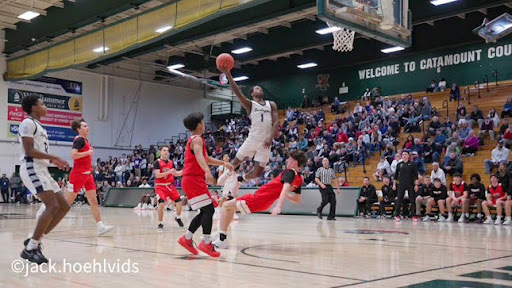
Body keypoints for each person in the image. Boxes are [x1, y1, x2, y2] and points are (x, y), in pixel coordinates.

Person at [213, 151, 307, 249]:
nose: (288, 160)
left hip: (258, 199)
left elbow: (286, 187)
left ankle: (222, 239)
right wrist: (285, 195)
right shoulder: (299, 178)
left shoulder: (290, 171)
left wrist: (279, 205)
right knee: (229, 207)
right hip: (263, 201)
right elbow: (297, 199)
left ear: (295, 162)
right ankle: (220, 233)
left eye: (290, 159)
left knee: (225, 206)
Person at [18, 94, 70, 264]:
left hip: (43, 169)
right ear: (34, 107)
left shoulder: (39, 125)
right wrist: (54, 157)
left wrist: (52, 161)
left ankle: (35, 241)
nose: (45, 106)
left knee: (63, 206)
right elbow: (29, 151)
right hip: (32, 167)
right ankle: (31, 247)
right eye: (42, 103)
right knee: (52, 205)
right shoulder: (28, 123)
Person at [177, 112, 233, 257]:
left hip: (192, 179)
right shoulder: (197, 140)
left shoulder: (194, 139)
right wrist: (207, 171)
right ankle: (206, 243)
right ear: (199, 125)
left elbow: (205, 158)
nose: (203, 124)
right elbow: (199, 155)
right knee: (209, 210)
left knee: (205, 211)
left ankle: (187, 239)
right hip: (192, 179)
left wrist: (224, 163)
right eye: (202, 122)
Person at [219, 68, 279, 192]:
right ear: (251, 94)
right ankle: (227, 174)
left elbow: (276, 122)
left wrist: (270, 138)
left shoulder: (271, 104)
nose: (259, 89)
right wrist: (229, 75)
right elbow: (237, 92)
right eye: (256, 88)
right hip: (253, 138)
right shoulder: (250, 104)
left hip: (266, 142)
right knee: (236, 161)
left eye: (260, 88)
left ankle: (243, 178)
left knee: (257, 173)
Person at [154, 145, 184, 231]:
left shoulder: (171, 162)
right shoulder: (157, 162)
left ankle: (178, 217)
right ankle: (160, 223)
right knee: (161, 204)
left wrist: (183, 171)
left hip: (170, 186)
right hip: (160, 186)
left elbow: (175, 173)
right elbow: (157, 175)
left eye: (167, 150)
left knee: (179, 202)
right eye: (164, 150)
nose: (166, 152)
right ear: (160, 152)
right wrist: (168, 172)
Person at [394, 151, 419, 222]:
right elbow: (396, 175)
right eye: (403, 154)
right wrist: (394, 184)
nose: (404, 156)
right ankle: (397, 215)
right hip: (401, 184)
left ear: (408, 156)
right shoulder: (399, 164)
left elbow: (416, 175)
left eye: (406, 154)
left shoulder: (412, 164)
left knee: (412, 200)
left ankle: (413, 215)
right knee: (399, 199)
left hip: (410, 184)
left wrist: (416, 185)